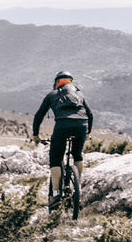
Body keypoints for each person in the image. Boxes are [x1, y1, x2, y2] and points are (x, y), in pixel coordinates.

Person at [32, 70, 93, 211]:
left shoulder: (52, 94)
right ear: (70, 82)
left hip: (62, 126)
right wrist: (88, 132)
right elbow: (90, 114)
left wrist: (35, 135)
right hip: (81, 125)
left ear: (57, 82)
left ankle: (55, 194)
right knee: (77, 155)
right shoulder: (79, 94)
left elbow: (39, 115)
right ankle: (78, 185)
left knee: (55, 159)